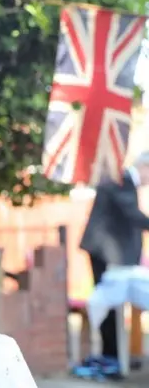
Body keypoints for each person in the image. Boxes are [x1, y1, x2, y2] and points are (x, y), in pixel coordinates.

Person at [80, 152, 149, 369]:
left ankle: (117, 355)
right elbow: (131, 215)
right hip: (104, 252)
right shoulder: (122, 179)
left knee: (114, 304)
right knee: (109, 302)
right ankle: (112, 357)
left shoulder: (123, 180)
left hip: (110, 253)